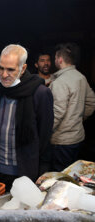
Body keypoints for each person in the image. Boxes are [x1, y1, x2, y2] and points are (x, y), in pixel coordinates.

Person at [0, 44, 54, 191]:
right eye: (1, 68)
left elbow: (44, 137)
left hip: (20, 172)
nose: (4, 74)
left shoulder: (40, 93)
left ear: (23, 68)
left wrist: (42, 171)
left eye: (10, 70)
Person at [49, 43, 95, 171]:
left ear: (60, 59)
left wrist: (44, 133)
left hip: (61, 141)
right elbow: (91, 103)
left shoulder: (60, 82)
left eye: (54, 58)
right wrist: (77, 118)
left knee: (60, 178)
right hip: (78, 138)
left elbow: (57, 113)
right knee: (72, 174)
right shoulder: (81, 77)